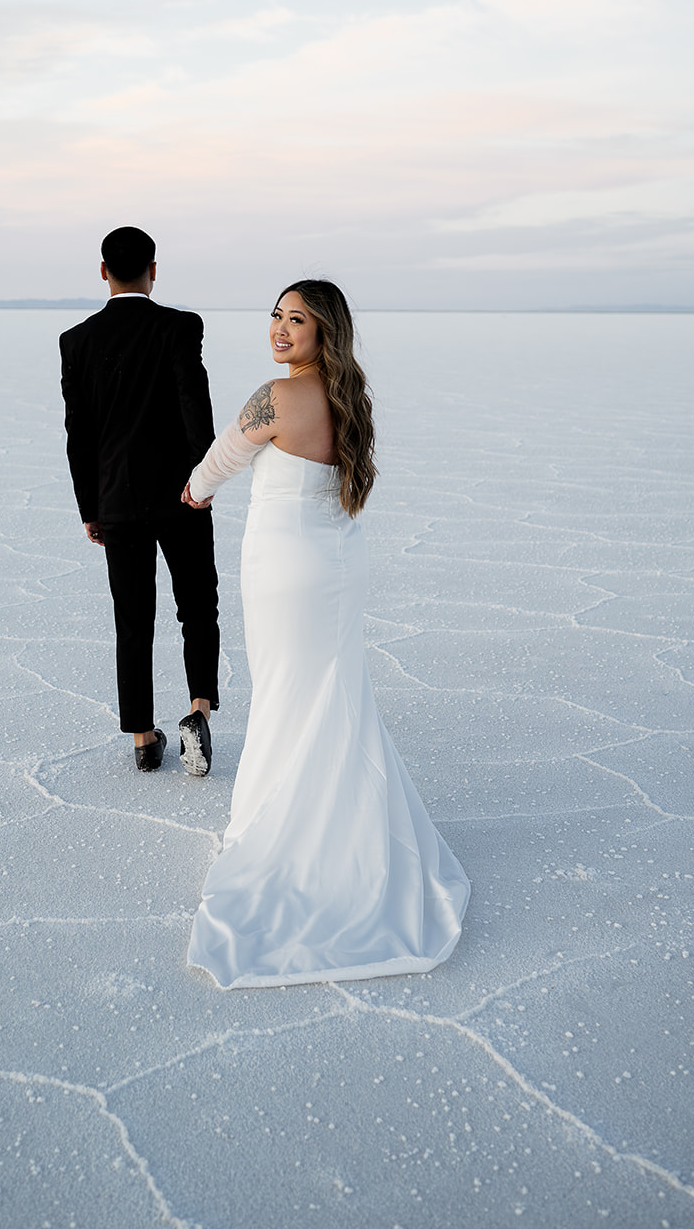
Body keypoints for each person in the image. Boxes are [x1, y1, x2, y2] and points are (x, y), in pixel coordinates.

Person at [182, 280, 469, 987]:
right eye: (275, 316)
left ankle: (277, 826)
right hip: (337, 560)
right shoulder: (349, 399)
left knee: (284, 691)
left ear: (323, 331)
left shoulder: (277, 399)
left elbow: (221, 460)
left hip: (284, 565)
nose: (279, 330)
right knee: (331, 688)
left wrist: (193, 490)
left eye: (296, 320)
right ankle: (349, 824)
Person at [59, 226, 220, 776]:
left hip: (117, 499)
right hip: (182, 495)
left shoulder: (76, 341)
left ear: (102, 271)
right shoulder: (179, 327)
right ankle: (198, 709)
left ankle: (142, 739)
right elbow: (195, 408)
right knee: (197, 605)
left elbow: (78, 436)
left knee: (133, 619)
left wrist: (90, 507)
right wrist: (206, 478)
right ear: (155, 269)